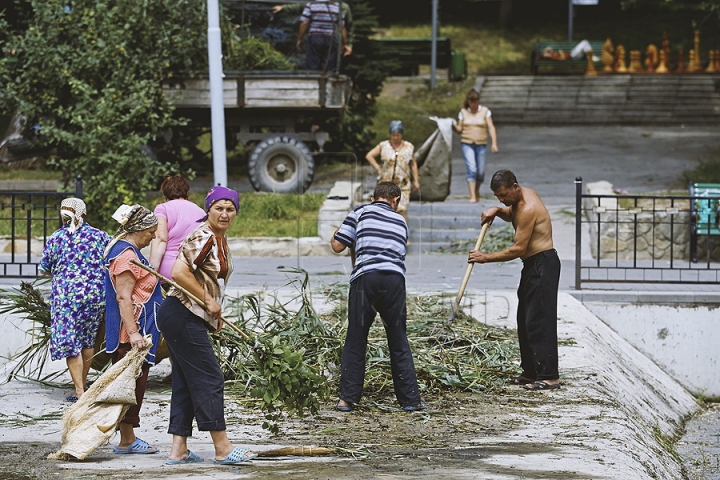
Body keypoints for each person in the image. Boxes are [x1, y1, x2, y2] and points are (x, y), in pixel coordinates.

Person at [157, 186, 258, 466]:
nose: (225, 214)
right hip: (181, 312)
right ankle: (223, 448)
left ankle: (178, 450)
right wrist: (207, 303)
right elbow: (178, 273)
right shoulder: (203, 235)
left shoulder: (218, 237)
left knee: (186, 382)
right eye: (219, 208)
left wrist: (212, 316)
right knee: (210, 378)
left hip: (187, 315)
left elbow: (210, 280)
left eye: (230, 209)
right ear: (208, 209)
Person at [331, 181, 424, 412]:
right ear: (396, 202)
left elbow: (337, 246)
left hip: (366, 279)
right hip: (394, 281)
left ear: (373, 198)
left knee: (356, 337)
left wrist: (339, 231)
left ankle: (346, 399)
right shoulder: (402, 221)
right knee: (398, 337)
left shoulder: (360, 211)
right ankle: (410, 400)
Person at [467, 170, 561, 391]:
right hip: (532, 265)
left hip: (543, 264)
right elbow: (512, 212)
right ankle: (530, 372)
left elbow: (518, 249)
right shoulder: (520, 198)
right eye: (498, 197)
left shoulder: (529, 207)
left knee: (540, 320)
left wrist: (485, 257)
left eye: (504, 195)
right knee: (525, 319)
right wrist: (498, 211)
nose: (502, 199)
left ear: (515, 187)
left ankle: (549, 376)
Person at [39, 198, 111, 403]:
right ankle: (83, 384)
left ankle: (79, 391)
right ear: (84, 214)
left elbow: (44, 268)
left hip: (66, 298)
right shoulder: (100, 236)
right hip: (94, 296)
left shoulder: (56, 238)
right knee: (88, 341)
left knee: (71, 343)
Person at [104, 204, 162, 454]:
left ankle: (127, 436)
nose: (154, 237)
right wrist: (135, 333)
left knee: (133, 384)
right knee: (131, 386)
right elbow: (123, 298)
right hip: (131, 335)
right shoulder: (126, 257)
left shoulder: (129, 251)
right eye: (151, 232)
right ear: (138, 230)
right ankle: (127, 439)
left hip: (137, 331)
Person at [149, 175, 205, 287]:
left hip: (169, 273)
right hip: (194, 274)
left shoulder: (162, 209)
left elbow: (160, 239)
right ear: (187, 194)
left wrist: (151, 273)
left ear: (165, 195)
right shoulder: (201, 212)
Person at [365, 120, 420, 224]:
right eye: (393, 135)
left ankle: (403, 235)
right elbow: (369, 155)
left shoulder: (409, 147)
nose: (395, 137)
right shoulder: (383, 146)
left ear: (401, 134)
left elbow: (413, 164)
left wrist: (416, 180)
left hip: (403, 184)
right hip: (385, 185)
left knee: (402, 210)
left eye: (398, 135)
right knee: (384, 210)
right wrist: (378, 168)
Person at [452, 88, 499, 203]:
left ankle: (476, 190)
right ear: (468, 101)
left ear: (478, 101)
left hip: (481, 143)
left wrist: (494, 143)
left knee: (480, 172)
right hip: (467, 143)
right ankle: (472, 195)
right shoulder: (463, 112)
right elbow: (459, 129)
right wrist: (452, 125)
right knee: (471, 168)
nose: (473, 105)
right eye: (471, 102)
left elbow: (491, 127)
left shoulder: (485, 111)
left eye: (475, 102)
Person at [296, 0, 351, 71]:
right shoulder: (337, 7)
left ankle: (313, 80)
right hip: (331, 39)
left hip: (315, 37)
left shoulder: (311, 4)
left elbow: (304, 23)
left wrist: (299, 39)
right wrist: (345, 43)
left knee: (313, 65)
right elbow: (342, 27)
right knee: (330, 66)